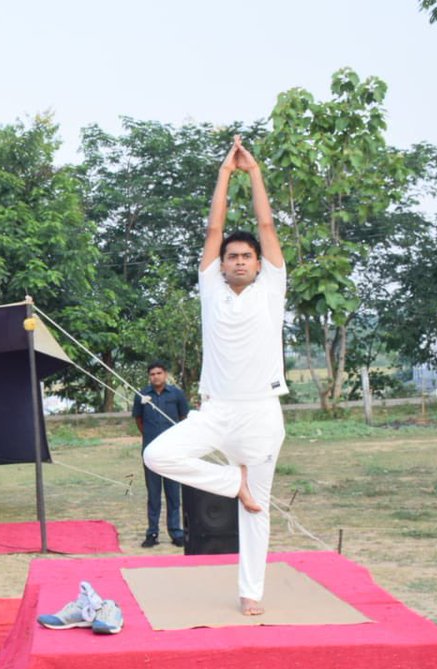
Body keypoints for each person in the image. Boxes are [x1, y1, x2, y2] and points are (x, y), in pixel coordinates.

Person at [142, 136, 287, 616]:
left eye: (246, 256)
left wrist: (256, 172)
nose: (239, 261)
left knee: (257, 510)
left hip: (261, 414)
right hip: (217, 409)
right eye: (232, 257)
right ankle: (231, 481)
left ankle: (252, 592)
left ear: (257, 263)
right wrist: (225, 173)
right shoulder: (211, 286)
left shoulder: (271, 287)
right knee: (159, 454)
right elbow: (214, 227)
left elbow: (265, 223)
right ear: (222, 265)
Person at [132, 360, 190, 548]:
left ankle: (176, 532)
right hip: (151, 452)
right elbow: (139, 420)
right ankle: (152, 532)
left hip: (172, 451)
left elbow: (183, 419)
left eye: (159, 373)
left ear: (165, 374)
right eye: (152, 374)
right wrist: (150, 436)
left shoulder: (177, 394)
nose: (155, 376)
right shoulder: (141, 395)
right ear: (149, 377)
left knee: (174, 493)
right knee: (154, 494)